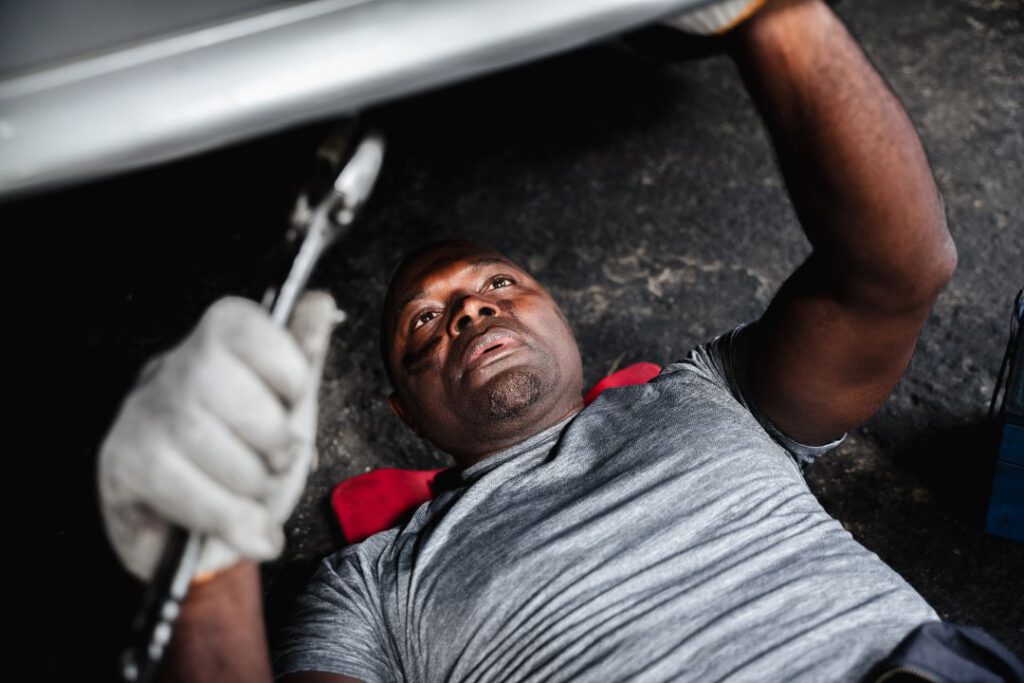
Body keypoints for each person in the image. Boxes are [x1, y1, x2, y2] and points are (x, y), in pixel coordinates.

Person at [97, 0, 1023, 681]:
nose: (471, 309)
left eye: (500, 285)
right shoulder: (366, 589)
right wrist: (206, 558)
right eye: (427, 319)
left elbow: (896, 269)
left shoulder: (711, 392)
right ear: (403, 410)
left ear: (564, 325)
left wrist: (773, 18)